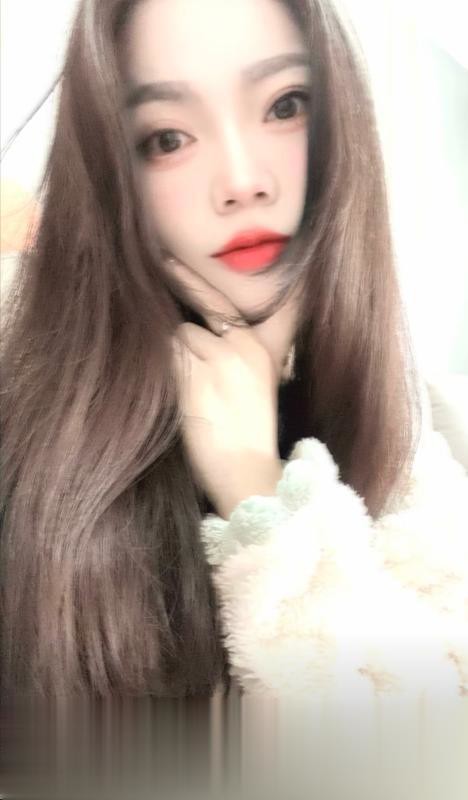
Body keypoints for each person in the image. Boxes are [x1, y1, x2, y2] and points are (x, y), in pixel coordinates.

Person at [0, 0, 467, 706]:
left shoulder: (422, 437)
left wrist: (256, 491)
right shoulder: (32, 447)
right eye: (168, 139)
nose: (243, 180)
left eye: (284, 106)